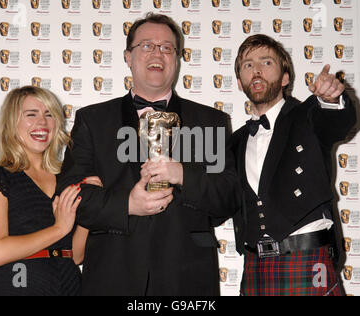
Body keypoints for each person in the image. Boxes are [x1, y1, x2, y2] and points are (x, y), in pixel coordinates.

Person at [57, 13, 239, 296]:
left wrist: (182, 175)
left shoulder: (210, 121)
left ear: (176, 59)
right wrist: (126, 204)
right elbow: (71, 197)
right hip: (112, 276)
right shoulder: (93, 120)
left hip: (188, 280)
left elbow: (229, 197)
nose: (158, 53)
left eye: (167, 47)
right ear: (128, 57)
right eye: (147, 46)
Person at [230, 34, 356, 296]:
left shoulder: (308, 115)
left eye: (266, 62)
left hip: (309, 261)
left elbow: (337, 121)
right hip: (255, 267)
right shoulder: (236, 142)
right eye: (247, 65)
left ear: (285, 78)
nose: (256, 70)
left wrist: (331, 98)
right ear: (240, 83)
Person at [0, 86, 102, 296]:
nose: (43, 122)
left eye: (49, 115)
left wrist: (89, 203)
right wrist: (59, 228)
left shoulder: (67, 179)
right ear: (12, 123)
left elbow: (74, 256)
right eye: (32, 114)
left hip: (69, 287)